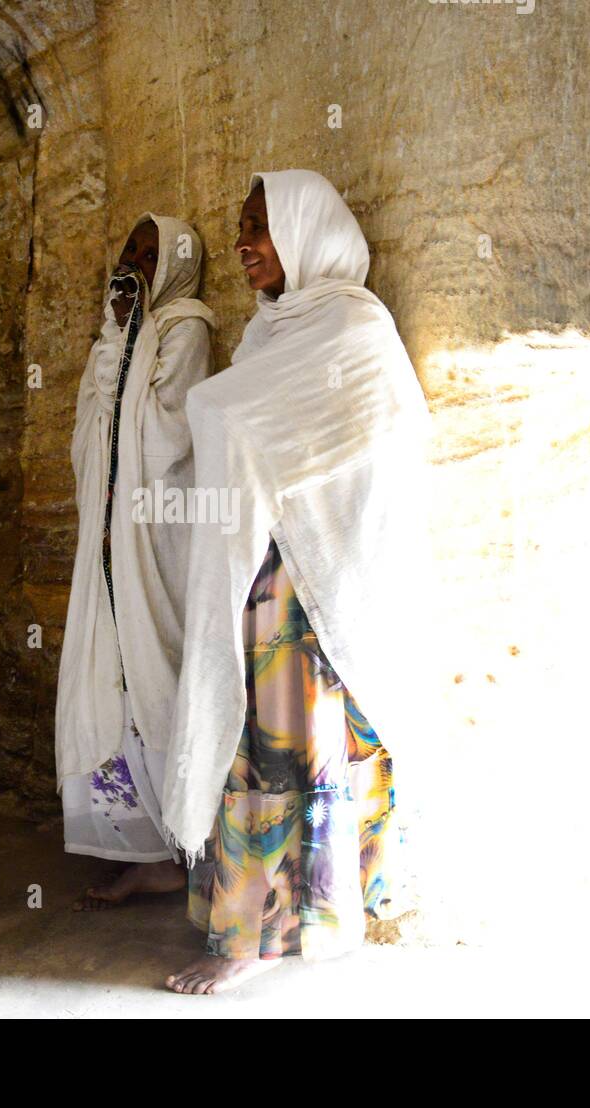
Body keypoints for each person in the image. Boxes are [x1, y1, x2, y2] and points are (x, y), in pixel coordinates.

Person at [162, 171, 434, 993]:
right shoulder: (265, 335)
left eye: (262, 226)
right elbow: (235, 424)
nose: (245, 244)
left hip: (320, 585)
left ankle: (262, 931)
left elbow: (384, 441)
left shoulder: (356, 326)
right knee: (256, 748)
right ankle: (259, 917)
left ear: (306, 230)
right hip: (262, 575)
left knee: (293, 750)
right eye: (242, 227)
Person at [56, 214, 216, 910]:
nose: (139, 264)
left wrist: (133, 340)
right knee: (112, 678)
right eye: (132, 250)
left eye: (153, 255)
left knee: (159, 672)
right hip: (110, 540)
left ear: (178, 264)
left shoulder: (186, 328)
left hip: (156, 537)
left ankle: (191, 844)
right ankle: (148, 852)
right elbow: (92, 433)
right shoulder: (115, 334)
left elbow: (167, 435)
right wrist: (118, 336)